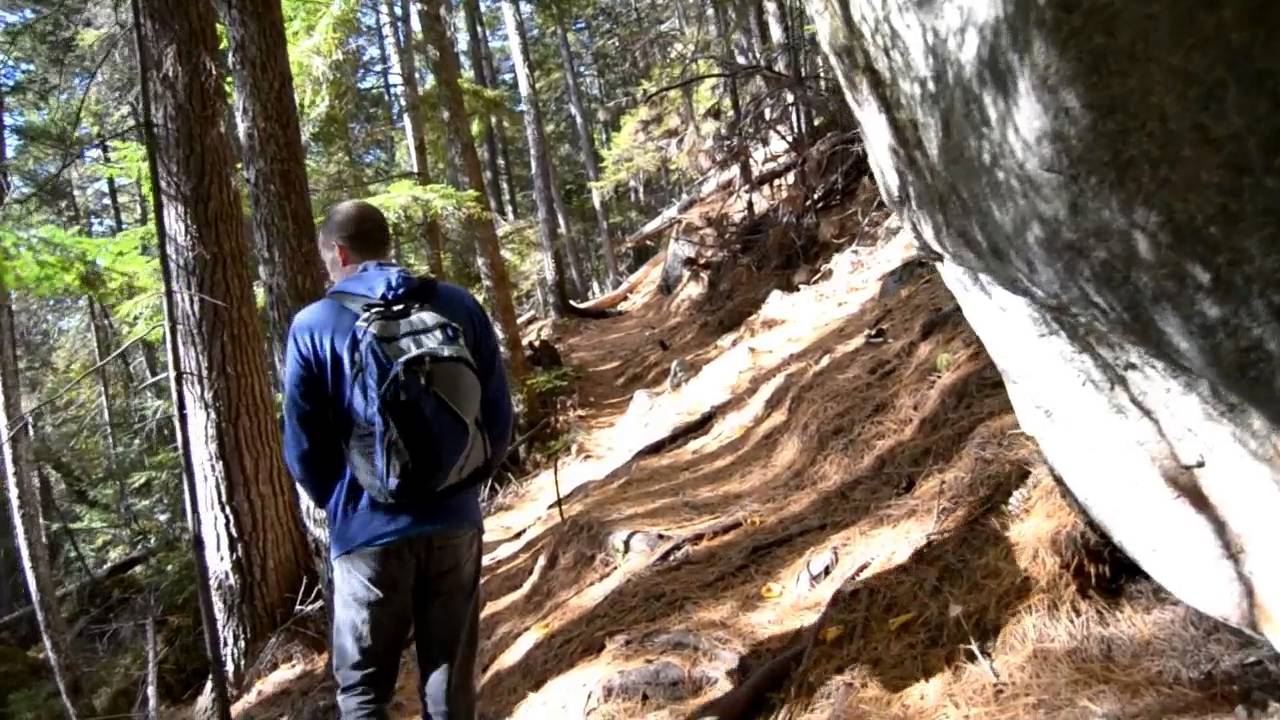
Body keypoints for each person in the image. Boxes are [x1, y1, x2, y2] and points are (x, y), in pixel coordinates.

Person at [282, 200, 513, 718]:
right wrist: (462, 483)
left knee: (365, 693)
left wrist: (344, 504)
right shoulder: (456, 304)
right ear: (386, 244)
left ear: (337, 253)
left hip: (366, 530)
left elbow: (303, 447)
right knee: (450, 685)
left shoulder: (314, 324)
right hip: (455, 520)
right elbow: (497, 418)